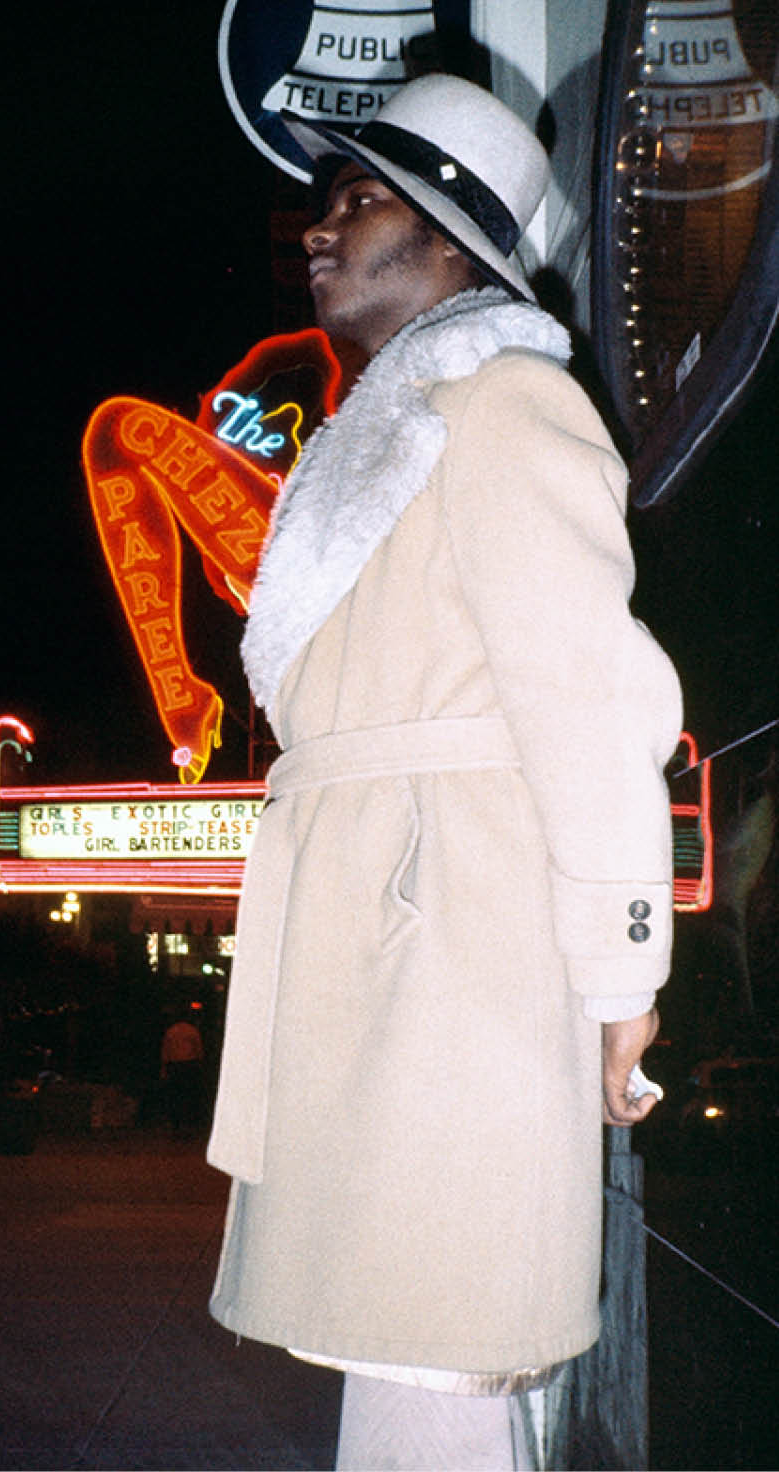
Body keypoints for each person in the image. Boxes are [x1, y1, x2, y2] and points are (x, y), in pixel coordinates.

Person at [204, 74, 682, 1471]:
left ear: (458, 243)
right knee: (398, 1339)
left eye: (361, 201)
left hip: (453, 936)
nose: (319, 227)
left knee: (438, 1343)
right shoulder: (390, 424)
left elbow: (593, 702)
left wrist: (621, 974)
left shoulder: (507, 401)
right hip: (383, 923)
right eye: (326, 199)